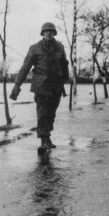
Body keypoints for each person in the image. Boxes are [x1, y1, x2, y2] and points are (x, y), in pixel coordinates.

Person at [10, 22, 70, 151]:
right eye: (46, 31)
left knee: (51, 114)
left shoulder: (60, 47)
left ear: (54, 33)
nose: (48, 33)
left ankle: (47, 137)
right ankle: (44, 140)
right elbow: (25, 67)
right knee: (42, 113)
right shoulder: (35, 48)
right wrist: (17, 85)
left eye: (51, 31)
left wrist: (64, 79)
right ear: (42, 33)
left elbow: (64, 64)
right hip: (40, 86)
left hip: (56, 86)